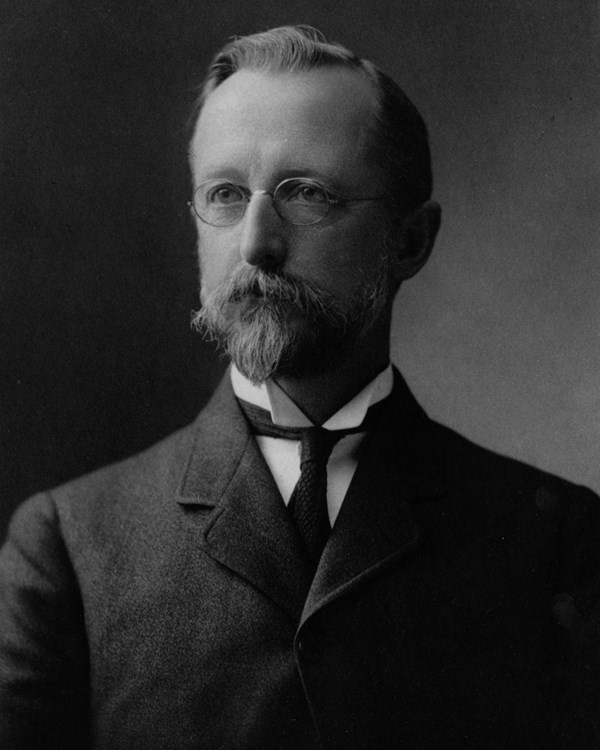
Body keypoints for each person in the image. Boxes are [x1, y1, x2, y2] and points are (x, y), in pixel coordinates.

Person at [1, 25, 599, 750]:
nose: (255, 244)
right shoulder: (69, 545)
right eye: (224, 194)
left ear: (410, 242)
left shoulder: (556, 538)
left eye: (306, 193)